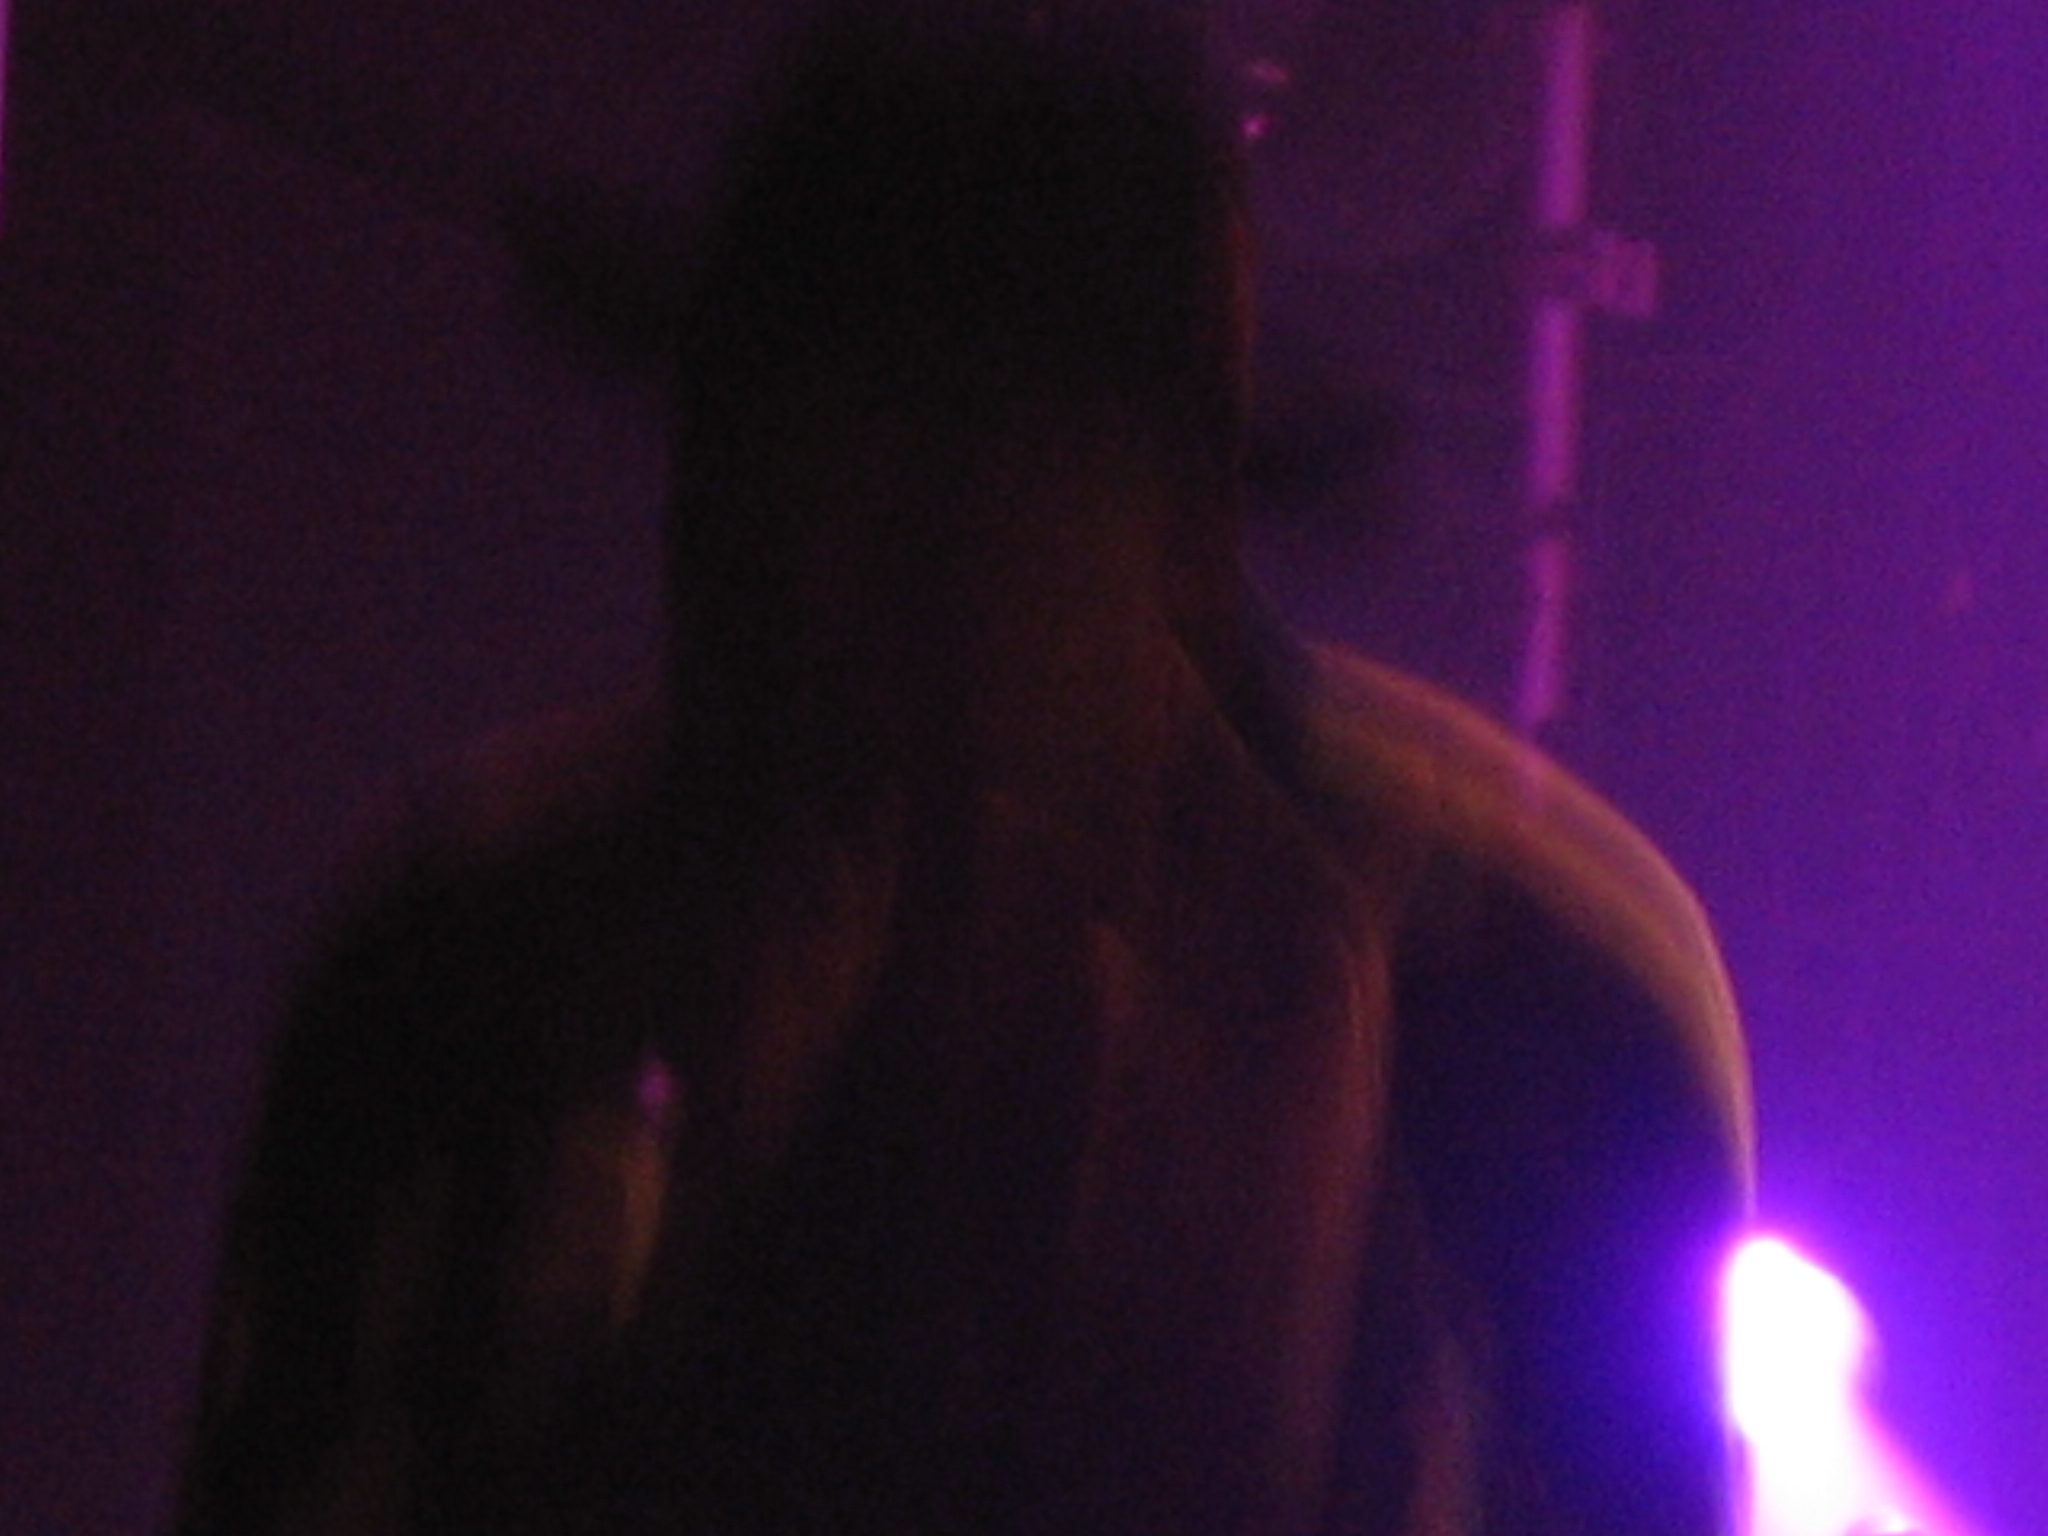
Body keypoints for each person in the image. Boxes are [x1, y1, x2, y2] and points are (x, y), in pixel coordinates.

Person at [172, 10, 1752, 1536]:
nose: (811, 593)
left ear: (1175, 523)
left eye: (941, 506)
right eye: (750, 476)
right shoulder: (471, 964)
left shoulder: (1523, 1007)